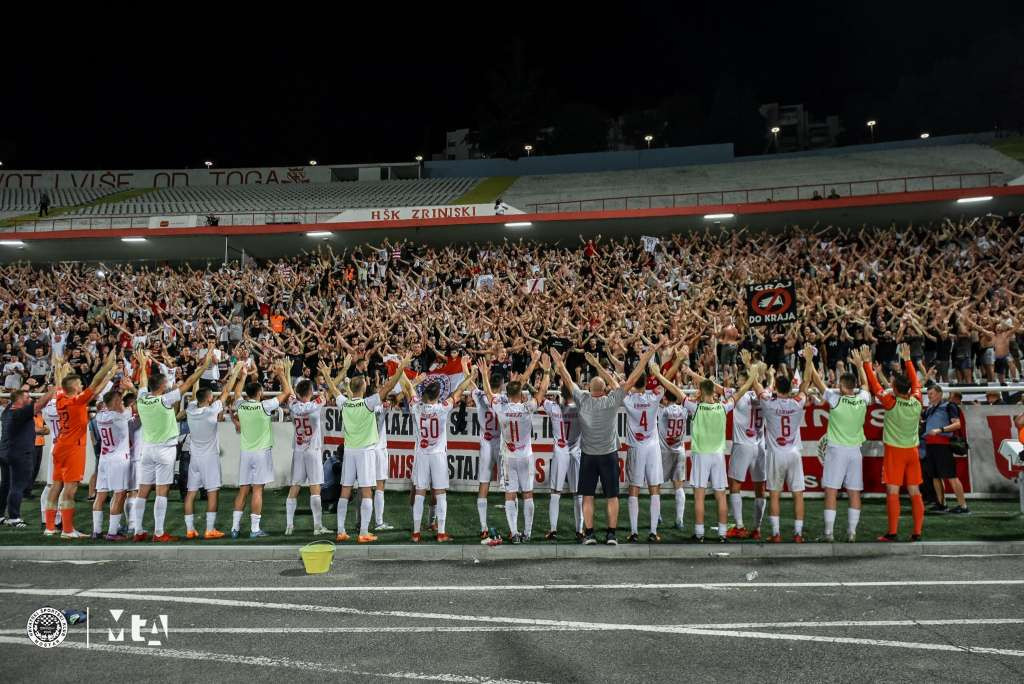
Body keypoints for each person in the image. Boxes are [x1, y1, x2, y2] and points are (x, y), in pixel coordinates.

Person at [550, 344, 656, 545]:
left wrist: (559, 362)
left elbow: (567, 378)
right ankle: (611, 534)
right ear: (604, 389)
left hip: (589, 456)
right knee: (612, 496)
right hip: (608, 455)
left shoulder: (582, 399)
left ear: (590, 389)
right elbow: (633, 378)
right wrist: (645, 360)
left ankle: (589, 534)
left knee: (587, 496)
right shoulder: (612, 400)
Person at [326, 353, 410, 542]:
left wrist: (332, 373)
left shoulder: (345, 404)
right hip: (366, 452)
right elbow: (388, 387)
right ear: (363, 387)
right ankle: (363, 532)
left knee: (345, 491)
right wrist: (401, 368)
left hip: (349, 452)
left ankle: (341, 531)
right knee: (366, 492)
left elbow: (332, 388)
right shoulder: (368, 403)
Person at [133, 344, 211, 542]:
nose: (169, 383)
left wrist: (143, 365)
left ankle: (138, 531)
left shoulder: (142, 399)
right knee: (162, 490)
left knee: (142, 490)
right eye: (166, 381)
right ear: (160, 386)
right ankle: (158, 532)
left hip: (147, 449)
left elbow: (143, 383)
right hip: (164, 449)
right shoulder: (165, 400)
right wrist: (204, 366)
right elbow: (190, 382)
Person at [675, 363, 759, 542]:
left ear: (700, 390)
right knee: (720, 495)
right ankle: (722, 535)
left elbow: (675, 389)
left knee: (699, 495)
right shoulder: (722, 407)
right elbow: (739, 393)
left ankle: (699, 534)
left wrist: (659, 375)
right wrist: (752, 378)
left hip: (700, 455)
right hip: (718, 456)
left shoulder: (695, 407)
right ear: (714, 392)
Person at [478, 355, 550, 543]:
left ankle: (515, 533)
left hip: (509, 458)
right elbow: (542, 391)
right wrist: (547, 370)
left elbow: (488, 393)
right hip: (525, 456)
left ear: (507, 394)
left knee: (510, 495)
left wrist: (485, 375)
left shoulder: (501, 408)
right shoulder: (527, 408)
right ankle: (527, 533)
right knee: (527, 494)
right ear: (520, 394)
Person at [45, 349, 117, 538]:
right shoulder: (77, 401)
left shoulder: (61, 397)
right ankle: (68, 530)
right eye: (78, 383)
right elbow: (94, 384)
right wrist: (107, 366)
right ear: (75, 388)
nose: (81, 384)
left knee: (56, 485)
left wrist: (60, 366)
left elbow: (65, 383)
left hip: (59, 445)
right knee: (71, 488)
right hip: (73, 448)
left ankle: (50, 527)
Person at [401, 358, 472, 542]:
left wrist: (402, 366)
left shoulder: (416, 406)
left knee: (419, 492)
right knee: (440, 493)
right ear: (438, 395)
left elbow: (407, 387)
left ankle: (416, 533)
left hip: (421, 455)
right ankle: (441, 532)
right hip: (438, 455)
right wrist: (468, 373)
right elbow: (458, 392)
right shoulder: (442, 408)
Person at [805, 346, 871, 542]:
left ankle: (829, 533)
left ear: (842, 387)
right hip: (855, 452)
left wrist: (809, 360)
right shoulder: (862, 399)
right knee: (854, 492)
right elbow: (866, 385)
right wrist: (861, 366)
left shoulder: (836, 400)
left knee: (831, 491)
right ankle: (851, 533)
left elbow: (818, 382)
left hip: (836, 451)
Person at [864, 343, 925, 541]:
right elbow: (916, 383)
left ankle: (892, 532)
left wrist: (866, 364)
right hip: (913, 451)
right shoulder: (917, 401)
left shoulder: (891, 403)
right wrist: (907, 360)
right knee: (915, 490)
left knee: (893, 490)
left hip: (895, 452)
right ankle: (917, 532)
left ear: (896, 390)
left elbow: (875, 386)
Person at [755, 347, 814, 543]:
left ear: (777, 389)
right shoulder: (797, 402)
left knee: (774, 494)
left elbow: (757, 386)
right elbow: (805, 383)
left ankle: (776, 533)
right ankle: (798, 534)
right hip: (794, 452)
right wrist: (808, 359)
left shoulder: (769, 404)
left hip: (775, 454)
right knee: (798, 494)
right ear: (790, 389)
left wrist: (752, 368)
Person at [230, 358, 293, 539]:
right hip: (261, 453)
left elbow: (236, 393)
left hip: (245, 452)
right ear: (259, 393)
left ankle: (235, 528)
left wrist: (242, 377)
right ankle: (254, 529)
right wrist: (281, 373)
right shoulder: (265, 406)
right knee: (257, 490)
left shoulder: (241, 405)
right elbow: (287, 391)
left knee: (243, 490)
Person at [183, 362, 244, 539]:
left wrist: (196, 374)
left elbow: (195, 395)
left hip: (194, 458)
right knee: (212, 493)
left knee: (191, 494)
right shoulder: (211, 411)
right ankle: (209, 529)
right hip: (209, 458)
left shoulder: (190, 409)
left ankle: (190, 529)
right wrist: (236, 372)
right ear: (209, 398)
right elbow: (226, 392)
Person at [622, 357, 666, 544]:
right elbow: (666, 385)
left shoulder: (628, 399)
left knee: (634, 489)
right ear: (647, 382)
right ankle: (653, 531)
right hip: (652, 447)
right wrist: (657, 374)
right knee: (654, 488)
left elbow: (619, 385)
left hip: (636, 447)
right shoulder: (655, 396)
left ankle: (633, 531)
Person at [725, 350, 767, 540]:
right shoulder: (765, 395)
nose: (736, 383)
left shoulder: (738, 395)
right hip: (760, 445)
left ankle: (740, 526)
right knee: (760, 487)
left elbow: (716, 389)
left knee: (735, 484)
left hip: (743, 444)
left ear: (746, 380)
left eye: (739, 380)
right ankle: (757, 528)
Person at [283, 371, 331, 536]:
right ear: (310, 392)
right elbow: (326, 394)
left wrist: (286, 374)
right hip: (312, 450)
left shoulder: (292, 405)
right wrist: (326, 376)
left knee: (294, 487)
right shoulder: (315, 405)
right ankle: (317, 527)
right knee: (315, 488)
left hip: (298, 450)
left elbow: (289, 393)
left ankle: (289, 526)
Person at [0, 387, 55, 528]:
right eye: (27, 397)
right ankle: (14, 517)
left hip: (6, 453)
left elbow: (18, 427)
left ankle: (1, 515)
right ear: (19, 400)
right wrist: (54, 390)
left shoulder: (8, 411)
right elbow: (39, 404)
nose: (30, 399)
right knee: (17, 486)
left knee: (5, 486)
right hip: (19, 454)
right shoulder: (20, 412)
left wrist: (36, 430)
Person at [90, 382, 135, 540]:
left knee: (100, 495)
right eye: (120, 401)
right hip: (118, 460)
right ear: (115, 403)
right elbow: (135, 408)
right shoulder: (120, 416)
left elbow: (103, 403)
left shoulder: (100, 415)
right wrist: (130, 388)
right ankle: (112, 532)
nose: (122, 403)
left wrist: (120, 391)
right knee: (119, 494)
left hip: (104, 458)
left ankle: (96, 530)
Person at [920, 383, 969, 515]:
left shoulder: (949, 406)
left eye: (931, 394)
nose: (929, 396)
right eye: (928, 394)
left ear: (940, 394)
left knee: (951, 476)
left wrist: (940, 430)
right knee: (936, 477)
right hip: (930, 446)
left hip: (943, 445)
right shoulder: (930, 409)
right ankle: (942, 504)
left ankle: (963, 506)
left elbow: (957, 424)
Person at [542, 383, 582, 540]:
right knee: (578, 493)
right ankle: (580, 530)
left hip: (560, 451)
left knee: (555, 492)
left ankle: (553, 529)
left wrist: (536, 386)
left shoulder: (554, 407)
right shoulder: (580, 408)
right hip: (576, 452)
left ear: (562, 394)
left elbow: (538, 397)